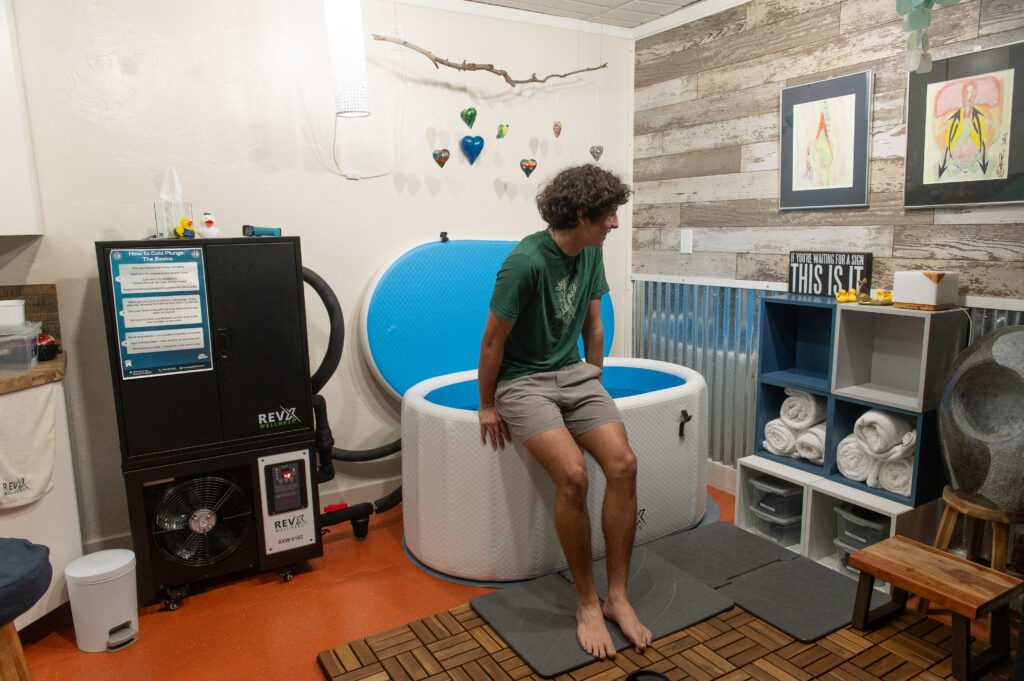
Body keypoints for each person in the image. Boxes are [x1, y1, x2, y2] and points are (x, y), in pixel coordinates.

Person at [477, 164, 651, 659]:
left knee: (624, 464)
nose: (616, 223)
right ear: (582, 214)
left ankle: (617, 597)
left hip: (574, 375)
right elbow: (493, 342)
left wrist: (592, 381)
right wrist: (487, 404)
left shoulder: (591, 253)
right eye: (610, 214)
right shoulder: (525, 262)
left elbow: (594, 327)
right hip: (523, 383)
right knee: (573, 474)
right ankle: (587, 602)